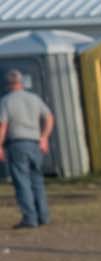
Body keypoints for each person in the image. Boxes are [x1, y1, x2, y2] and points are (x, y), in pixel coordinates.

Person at [0, 68, 53, 229]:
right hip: (35, 143)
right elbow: (49, 117)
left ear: (8, 84)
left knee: (22, 182)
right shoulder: (34, 98)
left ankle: (30, 218)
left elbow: (3, 125)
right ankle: (43, 216)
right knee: (37, 180)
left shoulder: (6, 101)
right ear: (21, 82)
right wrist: (44, 137)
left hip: (17, 144)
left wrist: (0, 145)